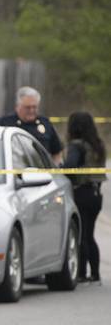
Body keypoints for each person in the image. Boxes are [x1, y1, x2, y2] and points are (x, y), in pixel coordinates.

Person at [63, 111, 107, 284]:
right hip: (96, 195)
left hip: (81, 193)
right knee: (90, 235)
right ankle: (95, 274)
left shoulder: (76, 145)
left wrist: (63, 171)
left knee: (80, 235)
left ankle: (80, 273)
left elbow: (70, 166)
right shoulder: (98, 145)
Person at [0, 86, 63, 164]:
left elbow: (56, 153)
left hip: (42, 173)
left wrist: (54, 172)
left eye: (34, 107)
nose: (32, 110)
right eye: (28, 107)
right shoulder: (4, 124)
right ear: (18, 106)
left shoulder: (45, 123)